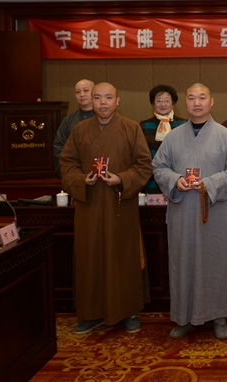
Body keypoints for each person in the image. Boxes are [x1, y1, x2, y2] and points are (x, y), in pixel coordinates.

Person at [152, 83, 227, 340]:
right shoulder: (173, 137)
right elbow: (158, 167)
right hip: (182, 210)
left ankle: (219, 315)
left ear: (211, 101)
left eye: (202, 97)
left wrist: (211, 184)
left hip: (214, 211)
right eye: (192, 97)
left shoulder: (224, 135)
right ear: (185, 102)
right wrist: (174, 180)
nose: (197, 102)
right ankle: (184, 316)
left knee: (216, 261)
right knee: (183, 262)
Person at [59, 82, 153, 334]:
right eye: (98, 97)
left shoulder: (131, 128)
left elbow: (144, 165)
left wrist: (121, 178)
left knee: (123, 256)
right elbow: (66, 164)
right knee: (90, 256)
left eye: (108, 97)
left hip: (120, 204)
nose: (103, 102)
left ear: (117, 101)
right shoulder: (79, 130)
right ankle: (91, 313)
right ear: (91, 100)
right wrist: (82, 180)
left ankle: (128, 310)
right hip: (88, 205)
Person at [140, 85, 186, 194]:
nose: (163, 104)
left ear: (173, 103)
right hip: (150, 180)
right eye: (159, 101)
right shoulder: (144, 125)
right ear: (153, 103)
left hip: (178, 179)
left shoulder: (184, 124)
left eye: (166, 100)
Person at [54, 79, 95, 175]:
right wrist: (70, 173)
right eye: (77, 92)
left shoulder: (103, 118)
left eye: (86, 90)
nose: (81, 94)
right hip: (74, 172)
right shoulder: (68, 120)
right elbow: (59, 148)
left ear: (95, 92)